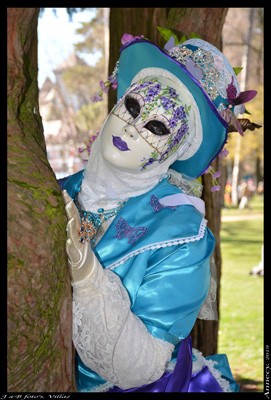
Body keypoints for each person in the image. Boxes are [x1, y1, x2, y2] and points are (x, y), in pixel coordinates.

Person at [59, 32, 257, 392]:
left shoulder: (183, 234)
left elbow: (141, 367)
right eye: (133, 107)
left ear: (174, 150)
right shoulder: (51, 191)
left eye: (157, 127)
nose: (133, 128)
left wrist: (87, 275)